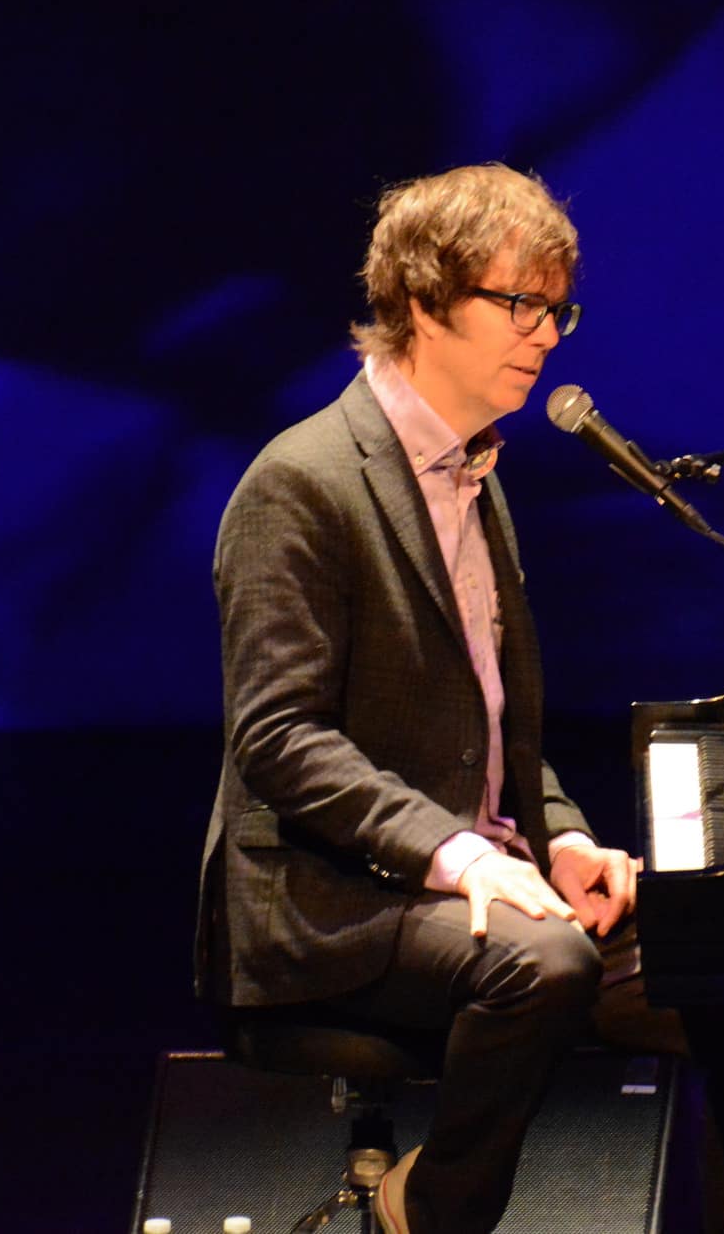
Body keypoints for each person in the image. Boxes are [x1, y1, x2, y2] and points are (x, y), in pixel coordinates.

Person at [197, 163, 664, 1234]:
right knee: (542, 963)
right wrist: (463, 858)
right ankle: (425, 1210)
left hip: (461, 878)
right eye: (517, 303)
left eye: (557, 309)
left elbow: (487, 724)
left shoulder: (473, 474)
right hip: (333, 904)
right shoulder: (300, 480)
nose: (545, 334)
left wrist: (562, 842)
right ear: (418, 302)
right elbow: (277, 737)